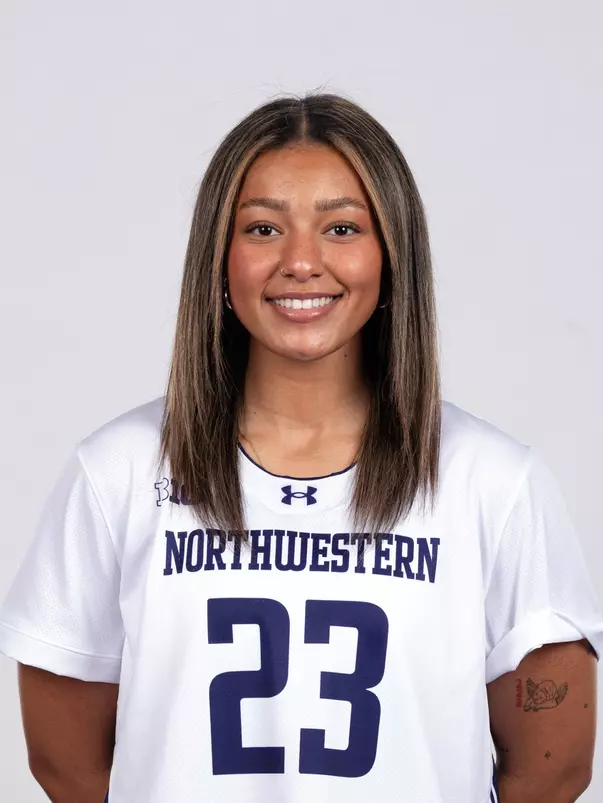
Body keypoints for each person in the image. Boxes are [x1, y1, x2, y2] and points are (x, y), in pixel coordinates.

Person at [0, 92, 601, 803]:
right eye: (262, 228)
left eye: (341, 226)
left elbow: (553, 764)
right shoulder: (118, 472)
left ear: (391, 255)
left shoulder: (492, 480)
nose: (301, 261)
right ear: (219, 260)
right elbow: (67, 764)